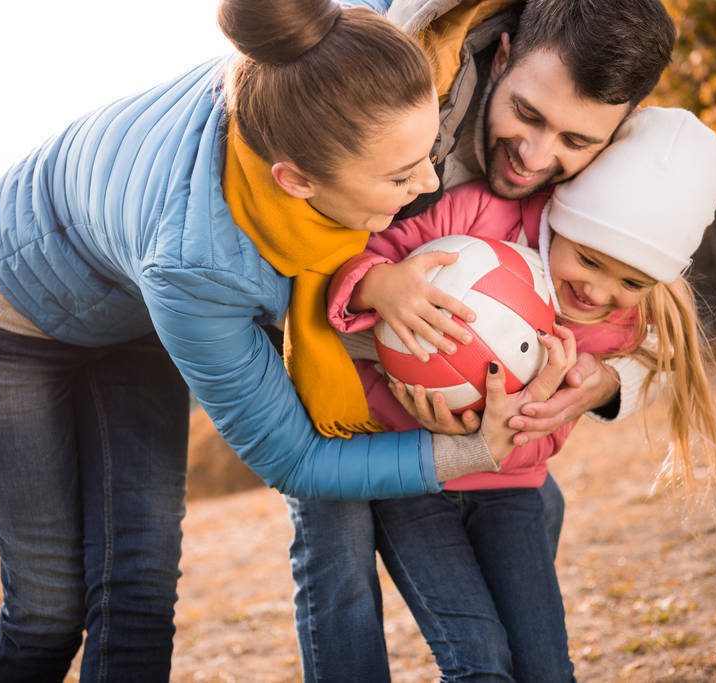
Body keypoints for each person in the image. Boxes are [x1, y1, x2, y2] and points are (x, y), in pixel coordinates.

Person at [0, 0, 529, 679]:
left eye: (423, 154)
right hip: (11, 312)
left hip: (131, 313)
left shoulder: (327, 53)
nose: (428, 183)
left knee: (137, 579)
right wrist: (466, 452)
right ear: (296, 181)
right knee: (46, 606)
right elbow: (298, 460)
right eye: (400, 177)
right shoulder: (197, 265)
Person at [283, 0, 678, 680]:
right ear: (499, 60)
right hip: (351, 398)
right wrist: (385, 299)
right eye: (526, 114)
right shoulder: (396, 102)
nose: (535, 156)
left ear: (615, 136)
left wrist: (601, 384)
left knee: (532, 631)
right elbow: (317, 271)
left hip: (504, 472)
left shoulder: (610, 207)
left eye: (575, 141)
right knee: (338, 546)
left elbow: (661, 342)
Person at [324, 106, 716, 680]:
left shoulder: (621, 322)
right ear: (563, 214)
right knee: (478, 660)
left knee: (545, 667)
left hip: (512, 489)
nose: (600, 290)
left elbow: (651, 364)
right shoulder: (477, 215)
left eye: (631, 282)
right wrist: (380, 285)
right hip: (416, 477)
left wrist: (578, 397)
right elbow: (358, 263)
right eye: (588, 257)